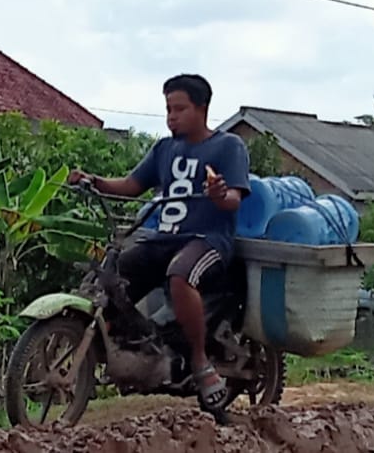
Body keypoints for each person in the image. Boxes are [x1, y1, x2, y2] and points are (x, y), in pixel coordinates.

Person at [67, 74, 249, 413]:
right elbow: (132, 185)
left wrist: (220, 194)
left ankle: (199, 362)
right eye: (167, 109)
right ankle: (137, 348)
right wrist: (94, 180)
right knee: (110, 277)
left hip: (207, 241)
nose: (171, 116)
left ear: (203, 108)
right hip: (164, 239)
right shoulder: (165, 148)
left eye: (179, 108)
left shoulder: (228, 147)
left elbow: (234, 199)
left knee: (180, 274)